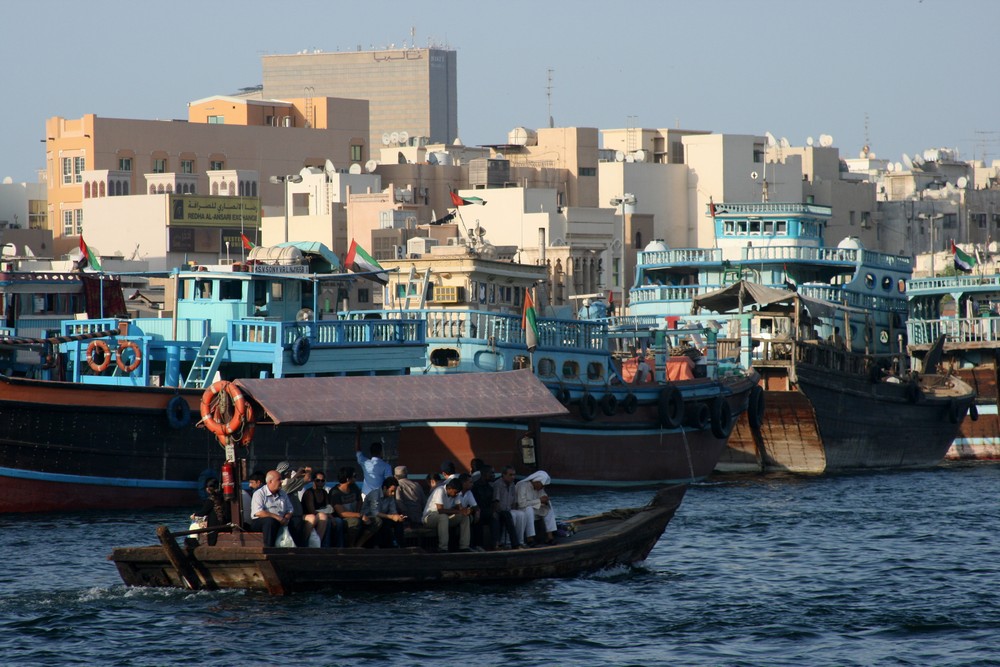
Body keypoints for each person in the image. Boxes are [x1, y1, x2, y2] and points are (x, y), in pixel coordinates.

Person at [250, 470, 307, 547]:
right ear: (270, 482)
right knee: (270, 521)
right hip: (262, 521)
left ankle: (299, 549)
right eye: (279, 480)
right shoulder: (259, 493)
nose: (281, 482)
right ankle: (269, 549)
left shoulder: (282, 493)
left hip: (281, 519)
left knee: (296, 521)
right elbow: (259, 512)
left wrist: (286, 518)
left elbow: (290, 509)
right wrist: (278, 518)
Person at [329, 466, 376, 547]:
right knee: (355, 522)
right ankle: (350, 546)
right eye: (354, 476)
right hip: (343, 519)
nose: (356, 478)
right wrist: (359, 516)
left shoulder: (354, 487)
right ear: (348, 479)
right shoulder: (335, 493)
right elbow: (342, 513)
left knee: (377, 521)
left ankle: (358, 545)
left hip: (356, 515)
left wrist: (358, 512)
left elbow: (359, 500)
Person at [422, 477, 471, 553]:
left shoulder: (456, 493)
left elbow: (460, 508)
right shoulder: (440, 490)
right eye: (455, 492)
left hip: (445, 519)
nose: (456, 494)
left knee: (464, 517)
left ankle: (464, 546)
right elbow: (440, 510)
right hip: (429, 518)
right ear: (449, 488)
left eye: (458, 492)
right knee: (443, 516)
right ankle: (443, 548)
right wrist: (459, 511)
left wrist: (465, 511)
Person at [361, 476, 406, 548]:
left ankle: (401, 545)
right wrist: (392, 517)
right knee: (384, 524)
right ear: (385, 488)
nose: (393, 494)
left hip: (383, 517)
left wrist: (398, 517)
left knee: (399, 523)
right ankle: (387, 546)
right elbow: (375, 513)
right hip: (369, 518)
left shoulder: (390, 497)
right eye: (392, 491)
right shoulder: (375, 494)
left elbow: (393, 511)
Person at [515, 470, 557, 546]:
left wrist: (545, 500)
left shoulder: (540, 489)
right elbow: (521, 504)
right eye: (542, 485)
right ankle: (530, 538)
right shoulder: (522, 485)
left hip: (535, 509)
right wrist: (539, 500)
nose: (543, 487)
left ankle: (550, 536)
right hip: (523, 510)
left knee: (548, 506)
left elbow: (543, 497)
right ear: (537, 482)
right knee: (529, 509)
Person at [300, 470, 338, 547]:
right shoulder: (309, 493)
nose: (320, 483)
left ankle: (318, 543)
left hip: (321, 515)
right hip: (308, 516)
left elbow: (329, 508)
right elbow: (312, 511)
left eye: (322, 481)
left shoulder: (324, 492)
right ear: (313, 481)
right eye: (318, 480)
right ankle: (307, 543)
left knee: (338, 522)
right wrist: (326, 513)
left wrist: (332, 517)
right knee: (322, 516)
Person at [491, 465, 524, 549]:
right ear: (504, 475)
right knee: (509, 515)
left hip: (508, 509)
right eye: (510, 475)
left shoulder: (512, 484)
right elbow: (496, 502)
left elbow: (514, 502)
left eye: (514, 475)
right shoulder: (498, 484)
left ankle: (520, 541)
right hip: (500, 510)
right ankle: (512, 543)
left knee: (521, 514)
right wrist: (501, 512)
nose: (513, 477)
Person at [195, 477, 231, 546]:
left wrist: (195, 514)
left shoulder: (211, 499)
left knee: (211, 539)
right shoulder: (224, 496)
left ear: (208, 489)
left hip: (215, 526)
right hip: (225, 523)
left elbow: (203, 512)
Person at [470, 465, 496, 550]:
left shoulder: (490, 488)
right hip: (476, 512)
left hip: (486, 512)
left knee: (495, 517)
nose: (493, 475)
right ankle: (478, 545)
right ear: (484, 474)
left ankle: (496, 543)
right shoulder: (475, 487)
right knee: (479, 518)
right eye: (491, 473)